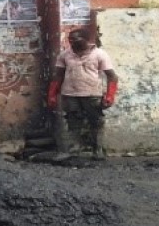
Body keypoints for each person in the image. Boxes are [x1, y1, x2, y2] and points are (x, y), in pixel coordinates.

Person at [47, 29, 118, 159]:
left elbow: (112, 77)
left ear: (86, 39)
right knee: (73, 122)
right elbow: (58, 76)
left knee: (96, 122)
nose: (72, 42)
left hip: (92, 94)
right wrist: (52, 95)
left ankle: (98, 150)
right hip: (70, 94)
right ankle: (73, 151)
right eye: (70, 40)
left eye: (75, 39)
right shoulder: (65, 55)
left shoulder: (100, 54)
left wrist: (110, 95)